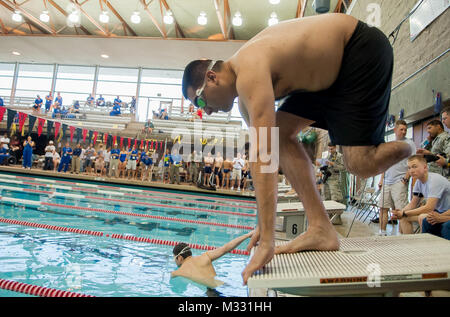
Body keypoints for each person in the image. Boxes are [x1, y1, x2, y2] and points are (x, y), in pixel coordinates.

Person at [182, 13, 413, 283]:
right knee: (279, 134)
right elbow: (266, 151)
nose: (205, 112)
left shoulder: (249, 69)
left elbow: (262, 155)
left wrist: (267, 238)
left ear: (211, 77)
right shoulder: (245, 98)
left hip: (359, 51)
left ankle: (409, 145)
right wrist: (262, 222)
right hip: (328, 79)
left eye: (199, 102)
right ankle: (320, 227)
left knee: (360, 165)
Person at [171, 230, 254, 290]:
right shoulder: (205, 256)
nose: (174, 261)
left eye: (174, 258)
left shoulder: (177, 273)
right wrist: (247, 235)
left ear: (180, 258)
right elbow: (226, 248)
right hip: (224, 285)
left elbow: (177, 288)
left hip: (210, 292)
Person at [376, 120, 416, 235]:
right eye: (401, 129)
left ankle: (405, 237)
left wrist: (406, 178)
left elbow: (413, 161)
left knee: (401, 211)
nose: (403, 132)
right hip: (387, 181)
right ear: (395, 130)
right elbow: (385, 164)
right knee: (383, 208)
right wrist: (381, 179)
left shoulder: (409, 144)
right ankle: (382, 232)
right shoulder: (390, 144)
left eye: (405, 130)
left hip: (400, 181)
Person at [392, 155, 450, 234]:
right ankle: (409, 244)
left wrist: (404, 213)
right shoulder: (419, 182)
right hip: (439, 211)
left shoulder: (434, 180)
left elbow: (429, 208)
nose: (411, 171)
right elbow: (413, 204)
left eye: (414, 167)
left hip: (446, 212)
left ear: (425, 167)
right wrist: (400, 213)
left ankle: (425, 243)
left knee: (421, 217)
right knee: (403, 218)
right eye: (409, 168)